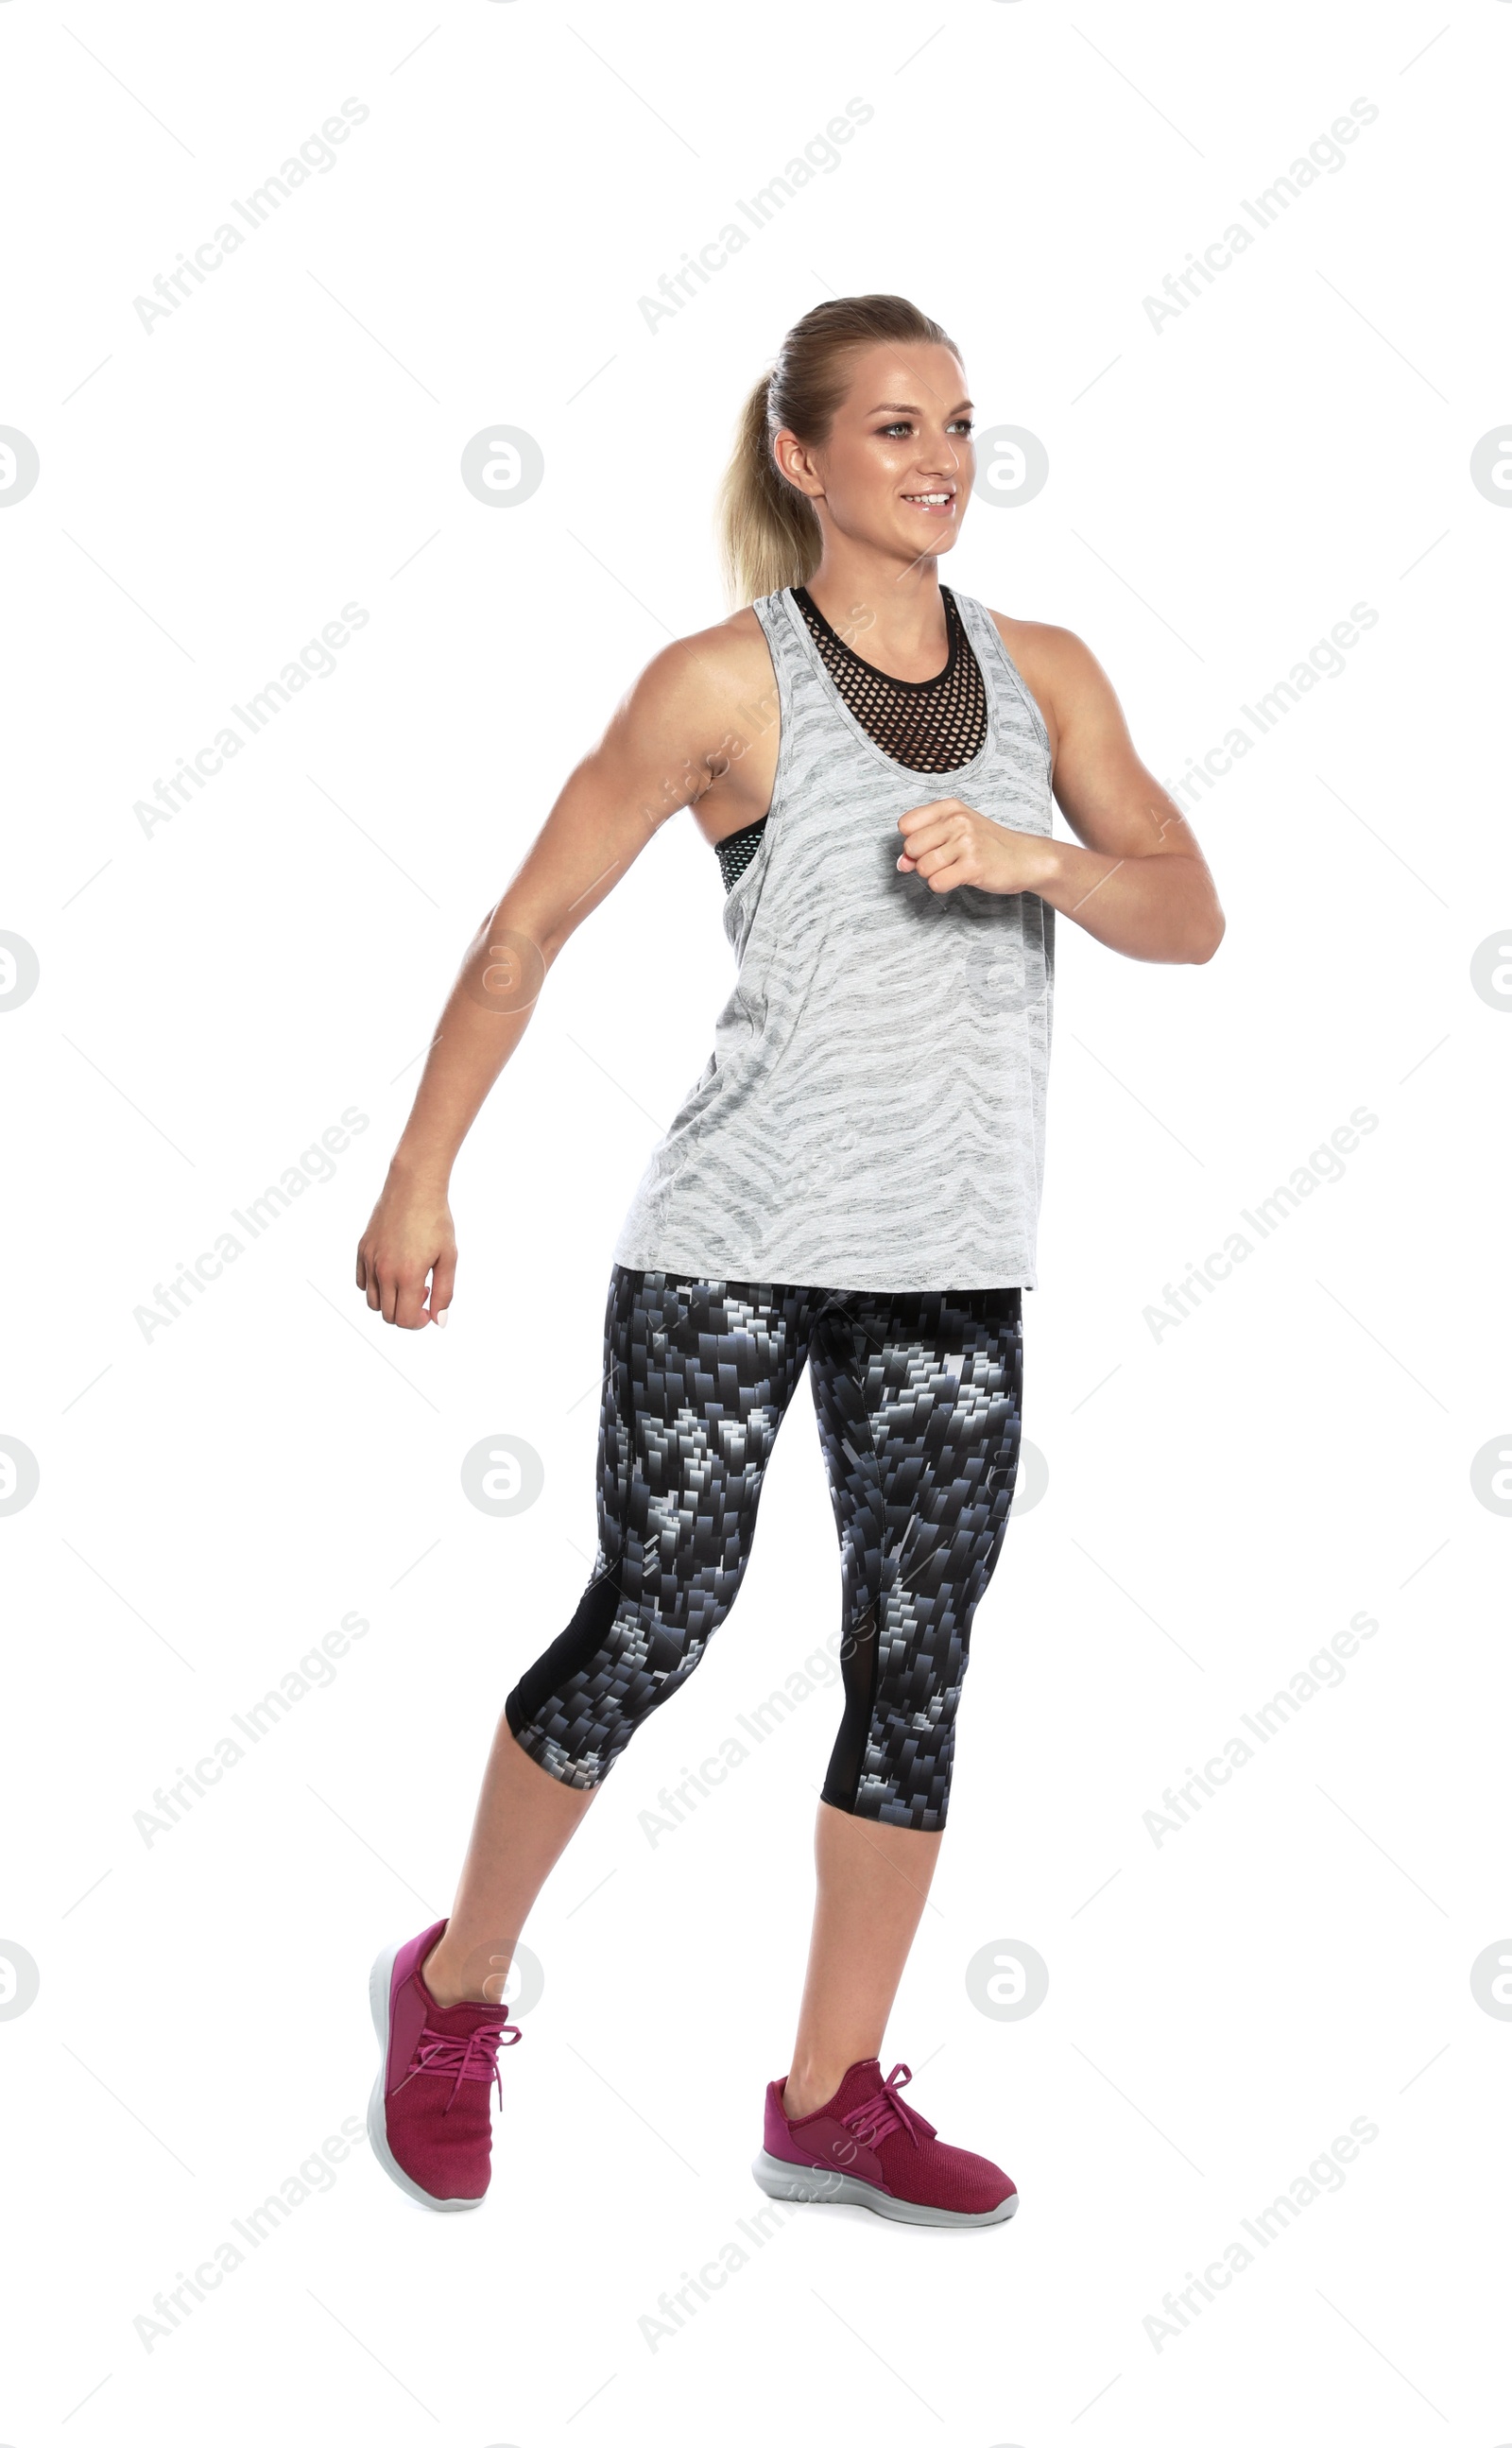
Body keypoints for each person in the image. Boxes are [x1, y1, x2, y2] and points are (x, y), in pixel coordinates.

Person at [354, 294, 1224, 2226]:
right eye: (892, 424)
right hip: (732, 1255)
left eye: (960, 423)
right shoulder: (718, 685)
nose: (935, 456)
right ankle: (456, 1982)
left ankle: (829, 2095)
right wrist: (421, 1178)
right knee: (658, 1613)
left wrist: (1037, 863)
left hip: (947, 1269)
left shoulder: (1047, 671)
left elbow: (1187, 908)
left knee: (912, 1661)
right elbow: (520, 936)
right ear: (798, 452)